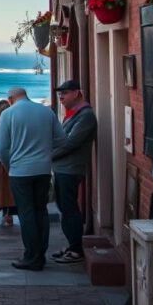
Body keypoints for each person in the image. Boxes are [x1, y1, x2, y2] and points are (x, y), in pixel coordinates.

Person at [0, 87, 66, 272]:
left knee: (26, 213)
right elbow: (62, 140)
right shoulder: (46, 112)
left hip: (19, 171)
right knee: (40, 211)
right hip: (43, 170)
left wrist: (10, 166)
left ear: (10, 99)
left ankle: (32, 257)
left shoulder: (8, 114)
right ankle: (40, 254)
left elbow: (1, 148)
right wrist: (45, 153)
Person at [50, 80, 97, 264]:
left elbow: (71, 143)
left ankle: (76, 250)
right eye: (59, 93)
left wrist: (48, 156)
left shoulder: (85, 116)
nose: (61, 97)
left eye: (65, 93)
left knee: (70, 209)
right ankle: (71, 245)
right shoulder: (73, 114)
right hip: (62, 168)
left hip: (70, 169)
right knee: (64, 208)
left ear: (77, 93)